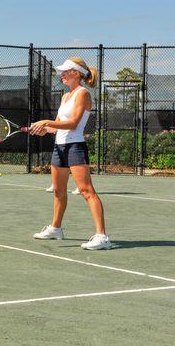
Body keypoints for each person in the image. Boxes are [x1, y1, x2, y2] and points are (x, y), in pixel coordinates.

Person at [30, 57, 111, 250]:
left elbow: (73, 123)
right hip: (60, 148)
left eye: (65, 72)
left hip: (75, 147)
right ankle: (56, 228)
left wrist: (46, 122)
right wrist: (45, 129)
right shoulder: (66, 96)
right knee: (58, 192)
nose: (62, 75)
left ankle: (102, 237)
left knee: (86, 191)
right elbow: (59, 126)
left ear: (76, 73)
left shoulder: (83, 94)